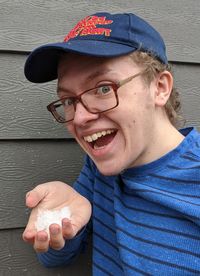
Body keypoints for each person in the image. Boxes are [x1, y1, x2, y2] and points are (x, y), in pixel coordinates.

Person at [23, 12, 200, 275]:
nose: (80, 118)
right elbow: (56, 259)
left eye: (103, 88)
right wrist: (63, 227)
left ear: (159, 87)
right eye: (69, 101)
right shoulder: (100, 163)